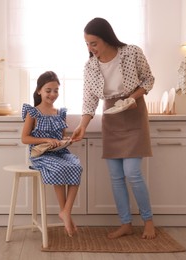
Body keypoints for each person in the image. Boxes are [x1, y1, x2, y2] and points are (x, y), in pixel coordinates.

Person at [71, 17, 156, 239]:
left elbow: (148, 80)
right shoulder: (90, 66)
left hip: (133, 113)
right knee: (116, 176)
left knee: (133, 173)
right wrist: (82, 126)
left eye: (94, 43)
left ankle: (148, 222)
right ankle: (125, 223)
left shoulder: (131, 53)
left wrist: (132, 98)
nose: (90, 49)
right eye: (87, 44)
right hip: (111, 117)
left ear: (107, 38)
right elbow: (89, 100)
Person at [21, 71, 83, 237]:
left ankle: (65, 212)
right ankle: (66, 214)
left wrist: (67, 141)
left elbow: (60, 138)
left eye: (56, 90)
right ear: (39, 91)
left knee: (76, 165)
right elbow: (24, 138)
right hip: (41, 155)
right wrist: (46, 140)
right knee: (60, 167)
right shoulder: (33, 112)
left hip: (59, 152)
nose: (52, 94)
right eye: (48, 90)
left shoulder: (60, 113)